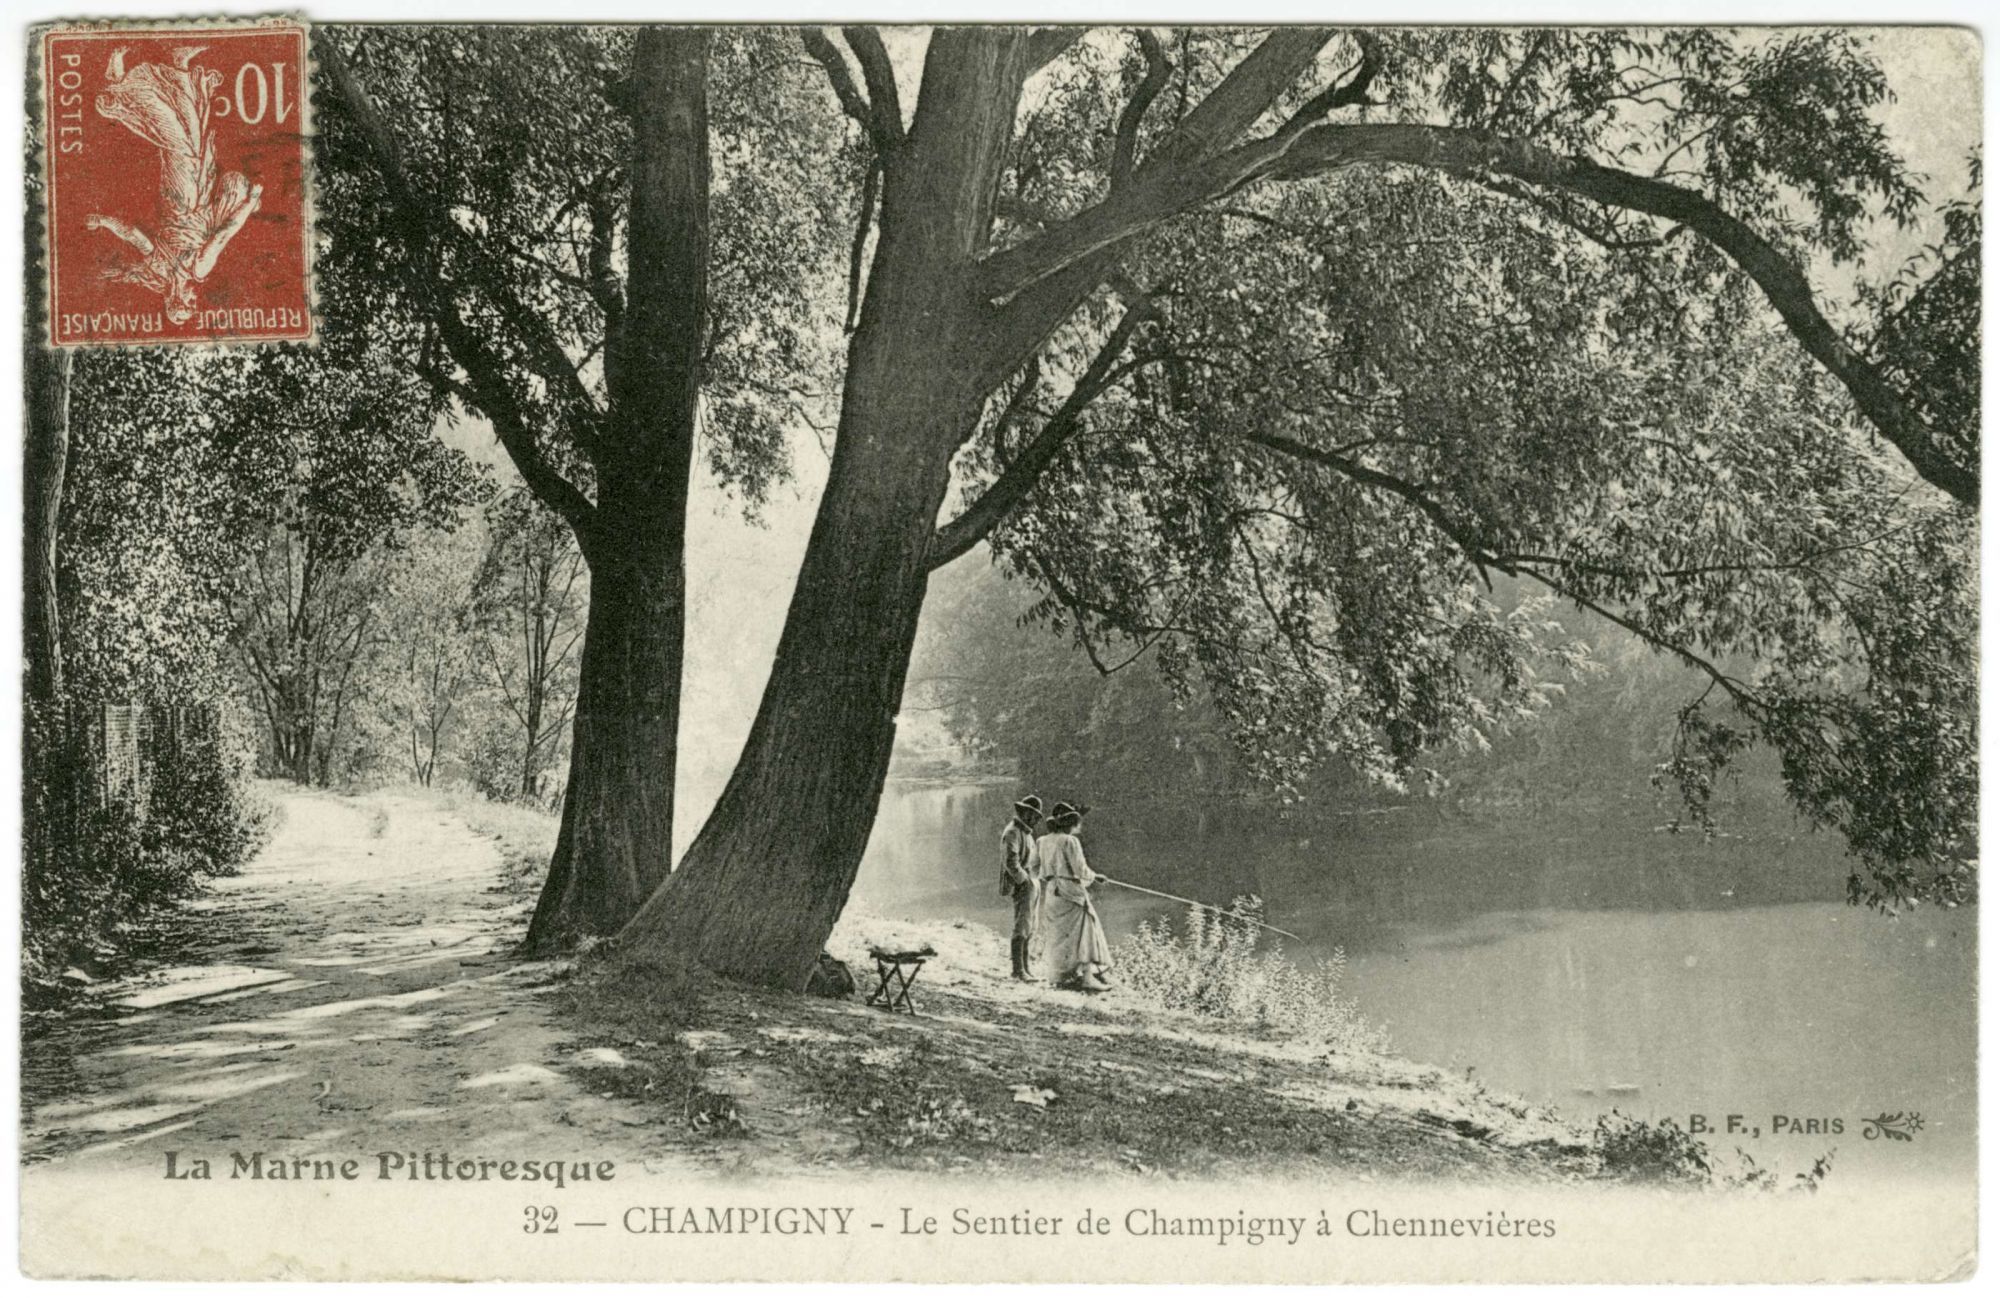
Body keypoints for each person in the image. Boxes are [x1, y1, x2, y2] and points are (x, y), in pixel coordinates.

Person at [1038, 802, 1113, 992]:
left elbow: (1036, 868)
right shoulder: (1070, 841)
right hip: (1070, 891)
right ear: (1072, 823)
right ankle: (1087, 977)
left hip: (1052, 891)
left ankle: (1060, 976)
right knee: (1086, 929)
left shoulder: (1042, 841)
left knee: (1059, 934)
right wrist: (1095, 877)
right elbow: (1080, 870)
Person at [999, 795, 1043, 981]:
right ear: (1024, 813)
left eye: (1037, 816)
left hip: (1031, 882)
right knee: (1022, 925)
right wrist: (1024, 881)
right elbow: (1011, 861)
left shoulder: (1026, 834)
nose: (1035, 819)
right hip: (1022, 884)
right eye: (1032, 815)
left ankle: (1025, 968)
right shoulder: (1012, 832)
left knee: (1030, 925)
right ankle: (1018, 970)